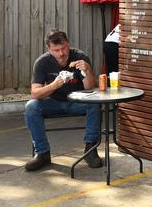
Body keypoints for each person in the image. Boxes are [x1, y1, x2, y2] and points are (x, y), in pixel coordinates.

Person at [24, 29, 103, 171]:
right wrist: (54, 85)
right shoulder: (42, 62)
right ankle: (42, 153)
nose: (61, 53)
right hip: (53, 102)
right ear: (49, 49)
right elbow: (35, 93)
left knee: (95, 104)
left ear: (68, 44)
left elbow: (90, 87)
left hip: (77, 101)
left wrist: (88, 70)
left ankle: (90, 150)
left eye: (64, 48)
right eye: (56, 50)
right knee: (31, 106)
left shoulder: (79, 57)